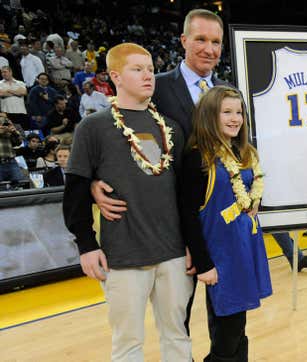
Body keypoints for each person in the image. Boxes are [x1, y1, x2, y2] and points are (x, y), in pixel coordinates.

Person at [89, 9, 233, 355]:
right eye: (200, 39)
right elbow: (113, 132)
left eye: (215, 42)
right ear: (183, 41)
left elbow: (242, 149)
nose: (209, 49)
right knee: (175, 323)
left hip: (222, 220)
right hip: (173, 225)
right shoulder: (155, 86)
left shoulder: (230, 91)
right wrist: (95, 181)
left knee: (229, 318)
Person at [63, 42, 193, 361]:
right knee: (127, 342)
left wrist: (192, 244)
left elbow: (184, 194)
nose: (148, 76)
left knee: (177, 335)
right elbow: (76, 190)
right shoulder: (93, 127)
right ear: (115, 76)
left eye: (150, 69)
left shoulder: (171, 128)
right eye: (138, 69)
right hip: (122, 254)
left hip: (173, 253)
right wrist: (86, 244)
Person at [179, 85, 272, 362]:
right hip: (220, 257)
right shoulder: (198, 157)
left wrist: (255, 202)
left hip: (243, 249)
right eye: (226, 112)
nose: (235, 118)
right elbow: (188, 215)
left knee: (238, 328)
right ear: (209, 116)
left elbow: (248, 193)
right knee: (227, 331)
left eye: (239, 112)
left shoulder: (241, 153)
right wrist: (204, 262)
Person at [0, 116, 24, 184]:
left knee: (20, 185)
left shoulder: (7, 125)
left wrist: (14, 132)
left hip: (11, 162)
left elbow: (19, 143)